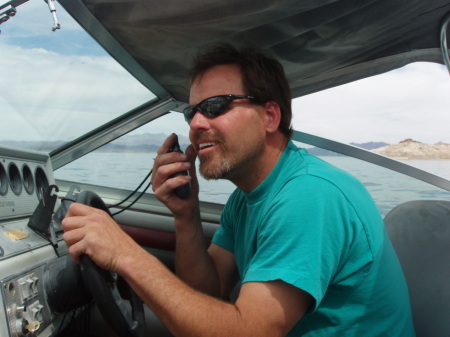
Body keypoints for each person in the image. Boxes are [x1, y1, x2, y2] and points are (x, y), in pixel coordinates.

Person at [62, 43, 415, 336]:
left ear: (269, 117)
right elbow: (208, 291)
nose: (197, 123)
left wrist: (125, 254)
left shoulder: (310, 195)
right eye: (192, 113)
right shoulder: (244, 200)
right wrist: (186, 215)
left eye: (216, 107)